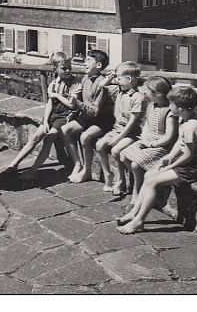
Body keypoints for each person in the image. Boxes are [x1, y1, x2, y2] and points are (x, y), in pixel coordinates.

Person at [117, 85, 197, 234]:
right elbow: (180, 144)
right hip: (188, 161)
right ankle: (134, 212)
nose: (169, 106)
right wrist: (169, 157)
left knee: (154, 181)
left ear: (180, 108)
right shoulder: (185, 119)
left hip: (195, 166)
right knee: (149, 175)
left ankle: (138, 222)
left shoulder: (191, 126)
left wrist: (168, 167)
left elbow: (188, 155)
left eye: (171, 103)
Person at [1, 51, 80, 179]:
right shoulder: (54, 84)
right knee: (36, 137)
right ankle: (13, 164)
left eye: (69, 67)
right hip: (53, 114)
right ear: (55, 69)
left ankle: (33, 171)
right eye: (64, 68)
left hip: (64, 116)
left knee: (49, 139)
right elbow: (49, 104)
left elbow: (71, 105)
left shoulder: (75, 83)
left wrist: (56, 95)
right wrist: (46, 121)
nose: (67, 71)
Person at [120, 76, 176, 205]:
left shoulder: (169, 112)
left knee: (135, 164)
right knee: (123, 156)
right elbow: (147, 125)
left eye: (147, 91)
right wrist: (144, 138)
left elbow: (169, 137)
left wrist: (151, 144)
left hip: (160, 146)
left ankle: (137, 190)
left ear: (157, 94)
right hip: (147, 141)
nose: (145, 93)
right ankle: (138, 183)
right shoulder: (152, 105)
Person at [62, 49, 115, 183]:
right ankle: (77, 163)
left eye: (88, 61)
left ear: (98, 66)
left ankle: (87, 170)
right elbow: (83, 102)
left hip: (102, 121)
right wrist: (74, 112)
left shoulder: (102, 84)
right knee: (65, 130)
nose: (85, 63)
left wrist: (77, 103)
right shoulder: (86, 78)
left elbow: (95, 111)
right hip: (86, 118)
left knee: (85, 137)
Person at [95, 61, 146, 197]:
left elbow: (132, 122)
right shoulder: (119, 90)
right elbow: (102, 85)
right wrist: (112, 76)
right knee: (99, 145)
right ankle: (108, 173)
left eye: (119, 78)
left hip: (130, 132)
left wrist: (119, 137)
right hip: (116, 128)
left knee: (116, 150)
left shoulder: (137, 97)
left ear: (129, 79)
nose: (117, 81)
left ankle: (121, 179)